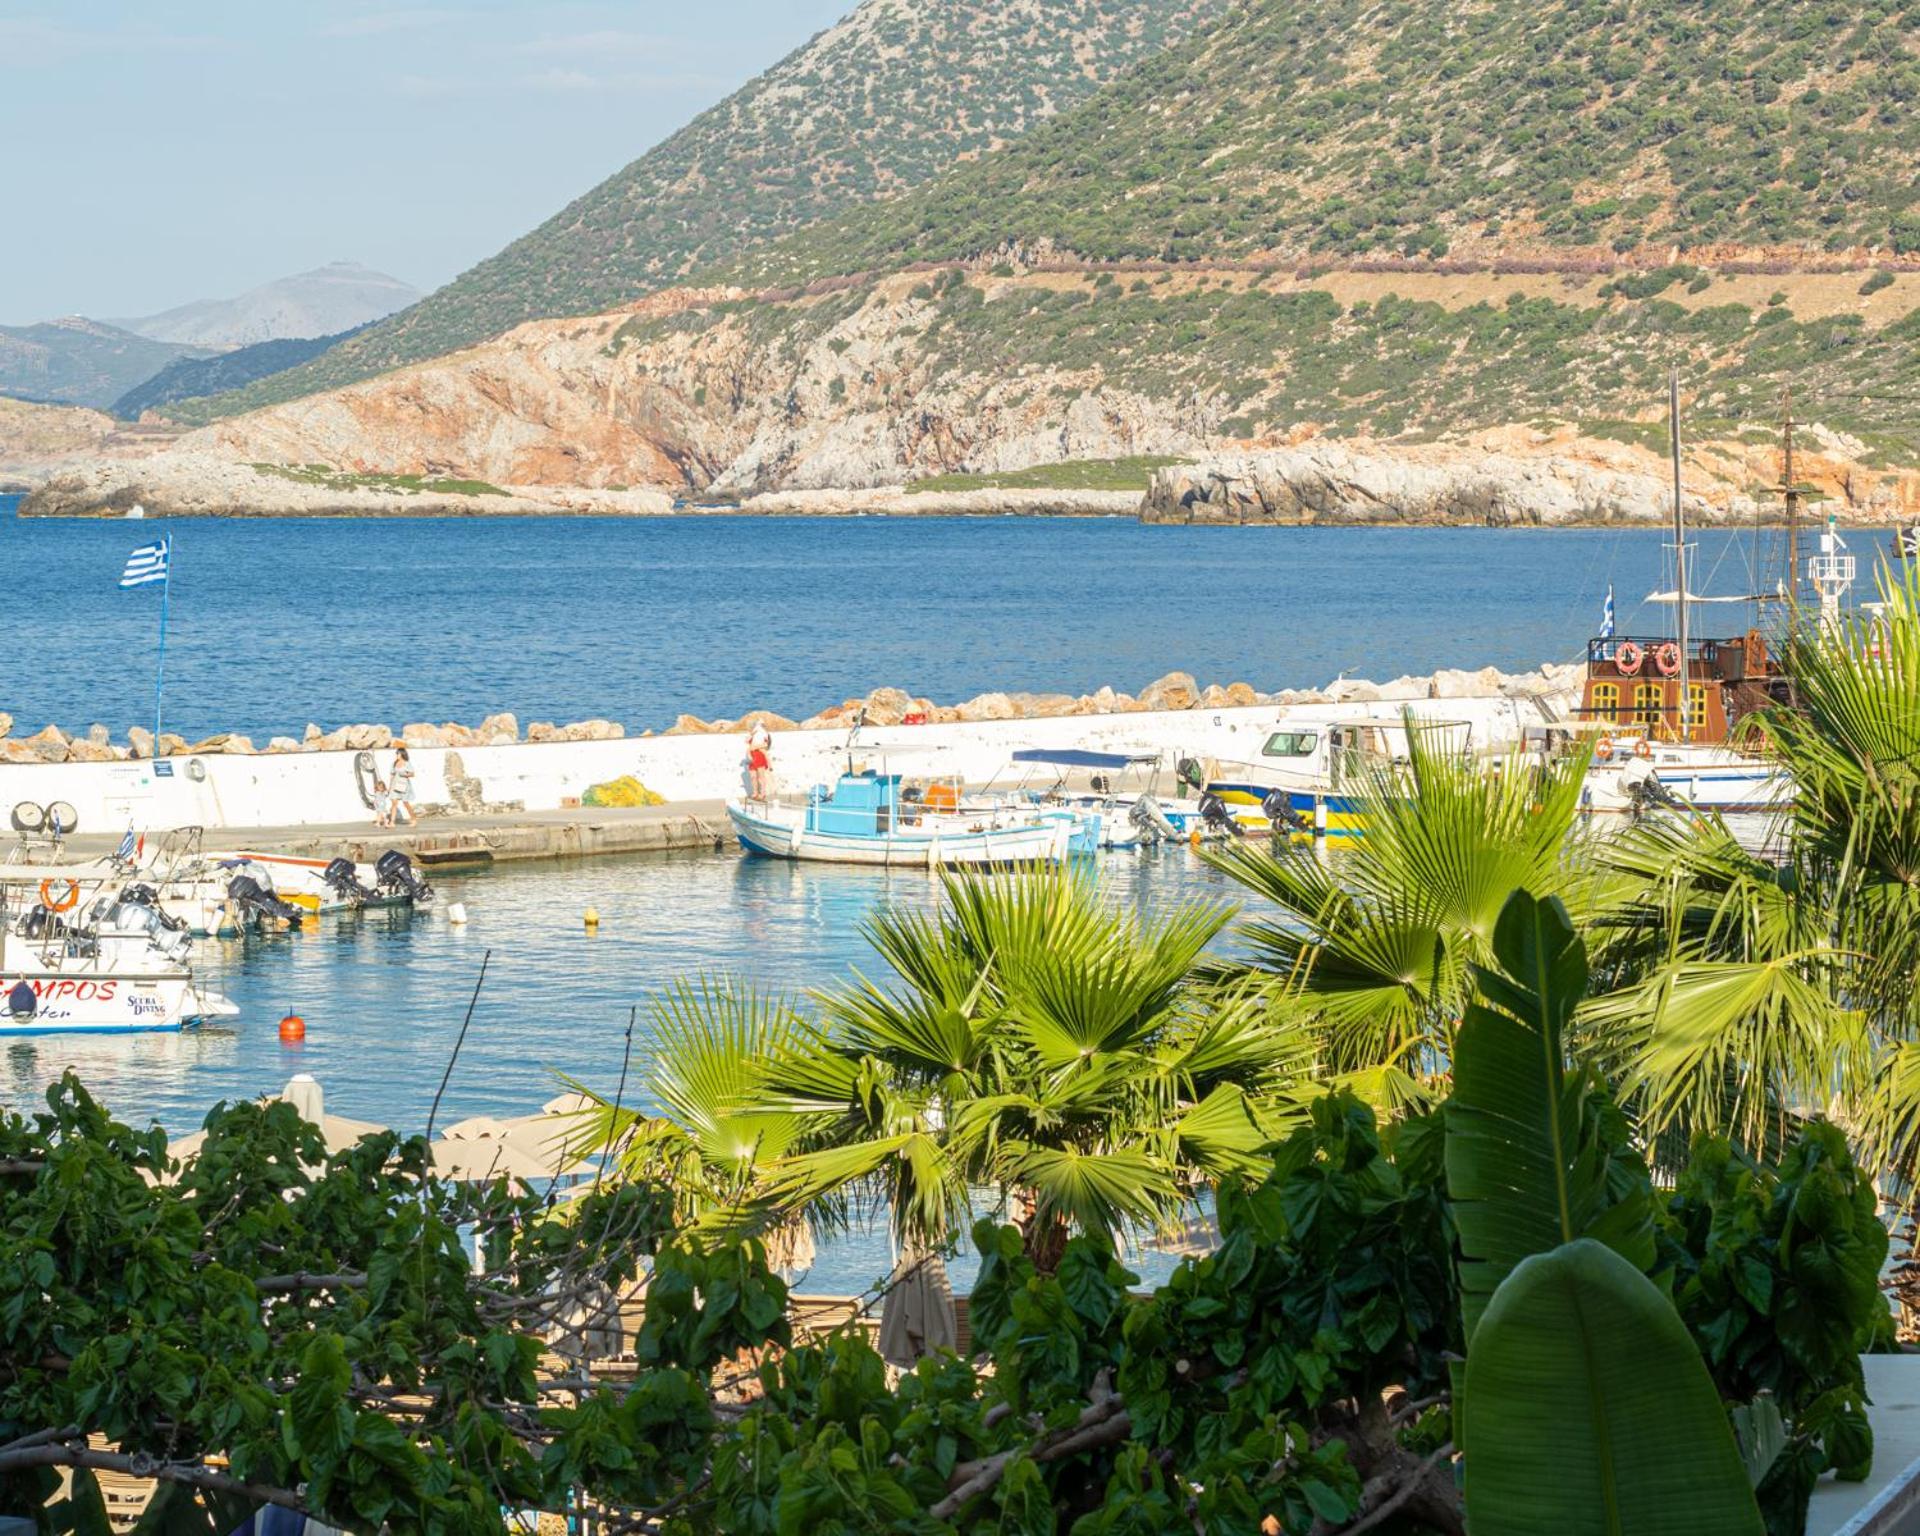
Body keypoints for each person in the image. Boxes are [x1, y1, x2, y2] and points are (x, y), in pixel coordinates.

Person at [746, 722, 773, 801]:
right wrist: (752, 734)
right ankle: (755, 793)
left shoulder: (764, 735)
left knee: (761, 777)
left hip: (760, 756)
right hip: (752, 757)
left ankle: (762, 793)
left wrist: (755, 747)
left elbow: (766, 745)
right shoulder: (754, 735)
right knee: (753, 777)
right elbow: (747, 741)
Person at [390, 747, 417, 826]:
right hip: (395, 785)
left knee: (405, 803)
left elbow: (412, 774)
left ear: (402, 754)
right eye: (396, 753)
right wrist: (389, 787)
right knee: (394, 803)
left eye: (398, 753)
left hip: (404, 785)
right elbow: (392, 775)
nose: (396, 755)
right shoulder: (394, 763)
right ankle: (392, 822)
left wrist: (405, 774)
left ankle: (413, 819)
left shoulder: (407, 763)